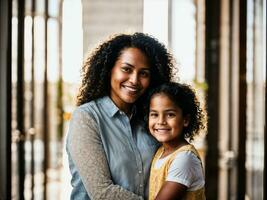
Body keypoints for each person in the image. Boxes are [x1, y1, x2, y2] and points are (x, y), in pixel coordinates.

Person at [66, 32, 175, 200]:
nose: (134, 80)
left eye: (144, 73)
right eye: (127, 69)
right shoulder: (86, 118)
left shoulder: (151, 120)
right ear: (110, 69)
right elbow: (102, 192)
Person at [146, 82, 206, 200]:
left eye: (170, 115)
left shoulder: (185, 158)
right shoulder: (161, 151)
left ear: (185, 120)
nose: (161, 121)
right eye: (154, 114)